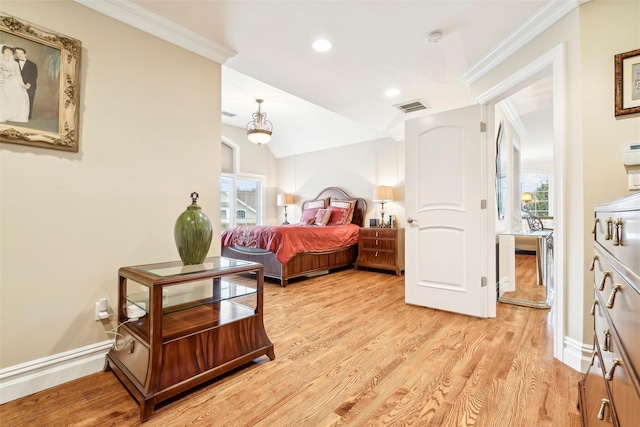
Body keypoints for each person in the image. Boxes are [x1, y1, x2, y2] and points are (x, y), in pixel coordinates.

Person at [0, 45, 30, 123]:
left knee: (13, 97)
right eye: (7, 51)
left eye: (10, 52)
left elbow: (18, 74)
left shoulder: (14, 63)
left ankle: (12, 115)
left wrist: (22, 84)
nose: (9, 53)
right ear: (3, 51)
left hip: (12, 81)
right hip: (2, 81)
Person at [14, 47, 37, 119]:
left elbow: (34, 75)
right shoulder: (13, 62)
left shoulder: (33, 64)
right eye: (17, 53)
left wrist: (28, 84)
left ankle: (28, 115)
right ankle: (16, 115)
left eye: (21, 53)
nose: (19, 55)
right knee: (16, 99)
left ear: (25, 54)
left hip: (30, 85)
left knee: (29, 99)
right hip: (16, 84)